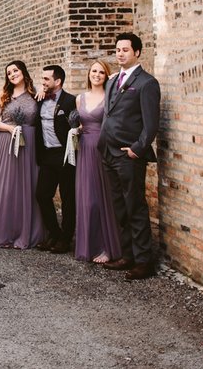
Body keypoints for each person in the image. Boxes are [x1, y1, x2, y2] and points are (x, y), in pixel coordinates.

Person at [99, 33, 161, 281]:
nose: (120, 53)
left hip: (129, 155)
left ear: (137, 52)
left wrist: (137, 148)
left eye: (125, 49)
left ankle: (144, 262)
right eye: (117, 50)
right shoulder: (113, 81)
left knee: (135, 206)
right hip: (108, 153)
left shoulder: (147, 83)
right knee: (119, 208)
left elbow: (151, 124)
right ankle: (127, 255)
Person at [0, 60, 44, 249]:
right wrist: (10, 128)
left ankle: (25, 231)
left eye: (15, 70)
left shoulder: (35, 94)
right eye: (9, 73)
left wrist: (44, 91)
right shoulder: (4, 94)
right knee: (6, 187)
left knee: (27, 187)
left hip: (29, 145)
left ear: (23, 71)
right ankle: (3, 231)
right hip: (5, 143)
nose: (13, 74)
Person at [74, 60, 121, 264]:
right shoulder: (80, 98)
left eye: (102, 72)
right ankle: (88, 245)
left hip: (102, 149)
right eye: (94, 71)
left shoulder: (111, 97)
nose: (97, 75)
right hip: (84, 148)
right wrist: (75, 131)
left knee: (102, 198)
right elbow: (82, 124)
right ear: (89, 74)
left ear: (106, 75)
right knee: (86, 199)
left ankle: (106, 247)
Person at [34, 65, 78, 253]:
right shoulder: (39, 99)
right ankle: (54, 233)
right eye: (42, 79)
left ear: (57, 81)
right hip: (46, 154)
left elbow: (77, 125)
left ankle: (65, 239)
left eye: (46, 79)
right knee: (42, 194)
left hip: (65, 154)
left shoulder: (71, 101)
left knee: (68, 198)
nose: (42, 82)